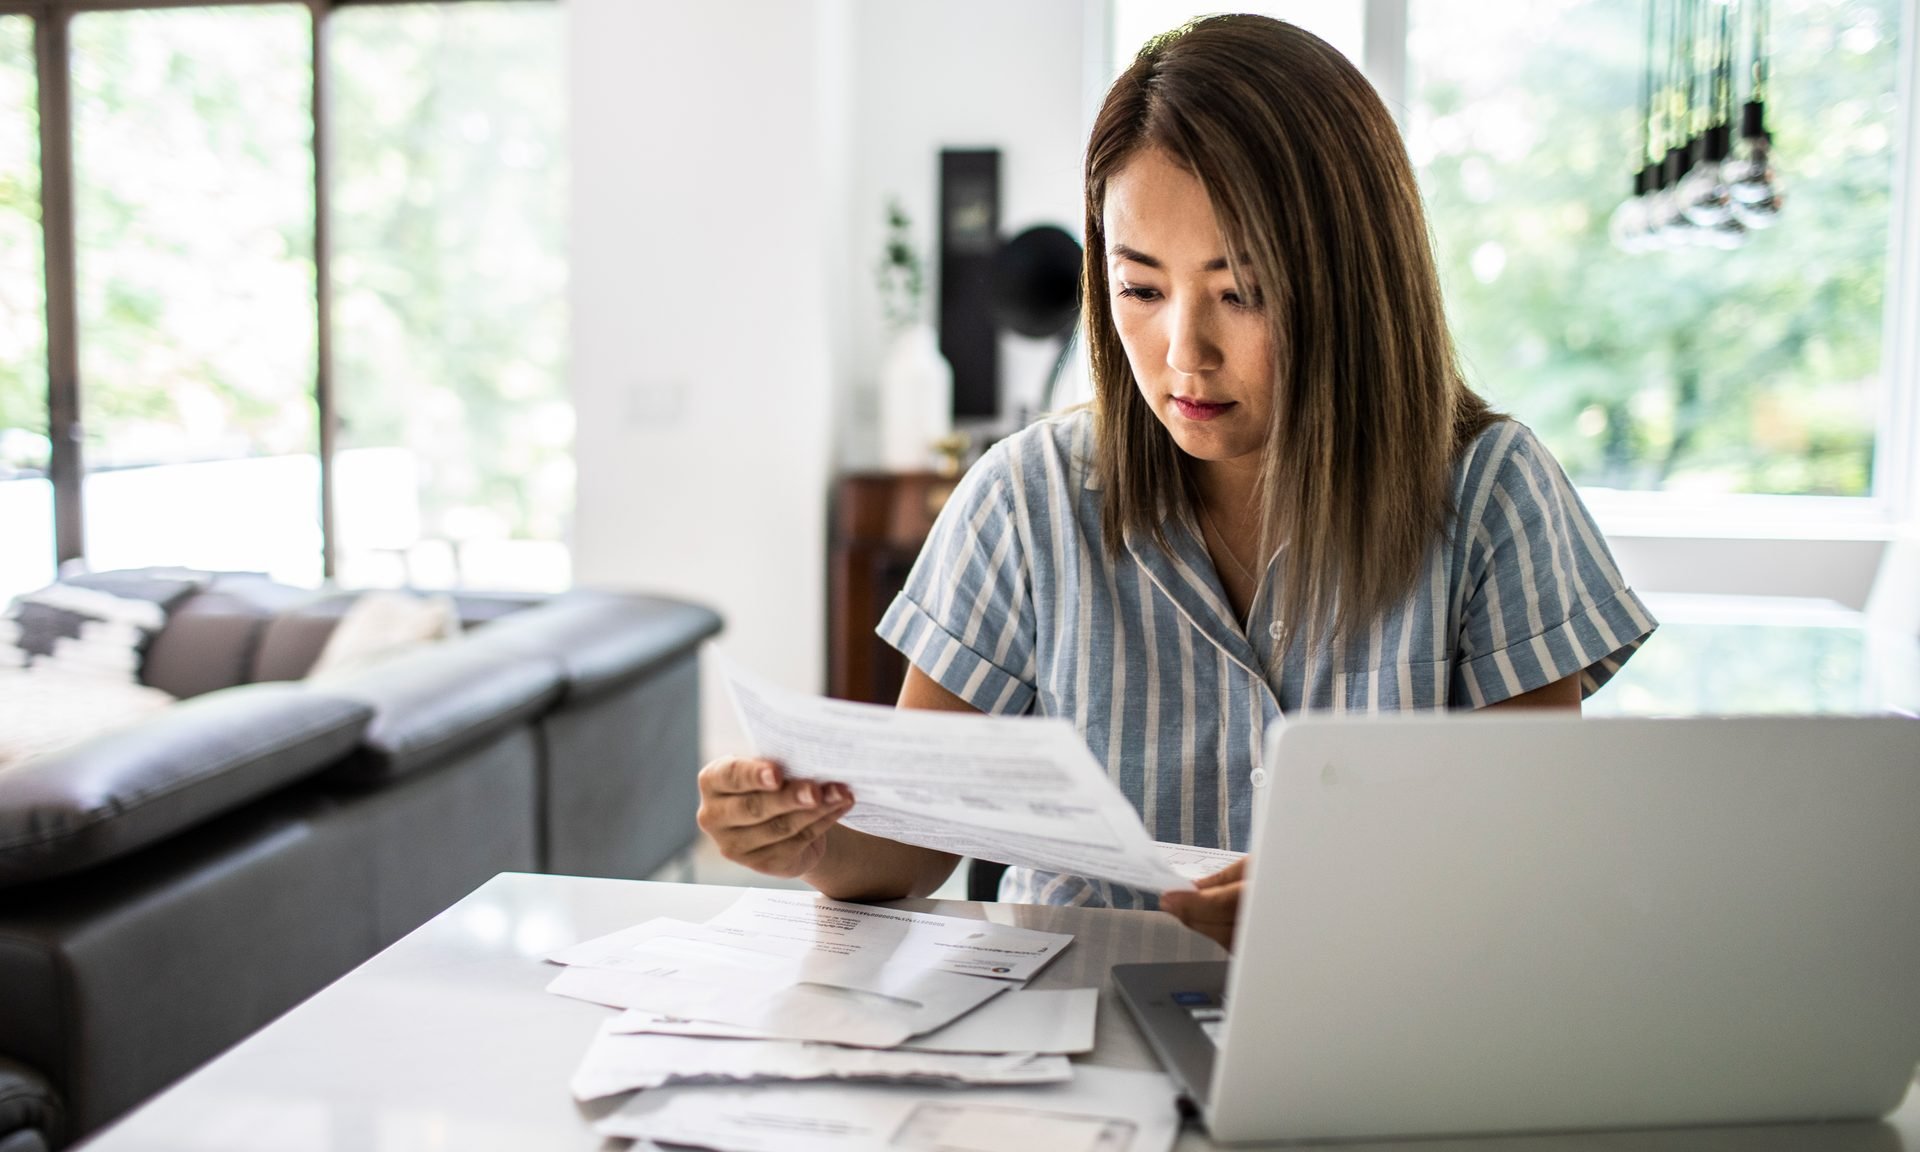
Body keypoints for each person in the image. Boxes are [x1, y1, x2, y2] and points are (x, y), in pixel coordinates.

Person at [696, 14, 1657, 948]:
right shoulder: (1028, 498)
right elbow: (906, 848)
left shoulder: (1492, 496)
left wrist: (1341, 899)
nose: (1182, 352)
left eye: (1243, 294)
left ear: (1354, 284)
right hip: (1069, 1043)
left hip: (1380, 1030)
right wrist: (808, 835)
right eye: (1141, 289)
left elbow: (1536, 858)